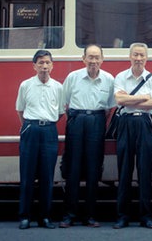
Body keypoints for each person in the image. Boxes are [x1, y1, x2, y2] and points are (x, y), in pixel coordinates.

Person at [59, 44, 115, 228]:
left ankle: (90, 215)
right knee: (73, 168)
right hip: (76, 120)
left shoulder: (108, 79)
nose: (93, 61)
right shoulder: (73, 77)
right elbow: (64, 103)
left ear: (102, 59)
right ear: (83, 59)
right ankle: (69, 215)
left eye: (96, 57)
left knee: (93, 169)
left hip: (97, 121)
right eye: (90, 57)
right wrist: (77, 119)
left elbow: (109, 109)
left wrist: (95, 121)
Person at [112, 42, 152, 229]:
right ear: (130, 56)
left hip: (144, 123)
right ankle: (122, 216)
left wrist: (130, 101)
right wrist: (144, 97)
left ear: (146, 58)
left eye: (142, 55)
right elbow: (119, 100)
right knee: (124, 171)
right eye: (135, 55)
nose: (139, 58)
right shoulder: (120, 77)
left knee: (145, 170)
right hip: (125, 124)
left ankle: (146, 216)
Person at [16, 49, 64, 230]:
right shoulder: (25, 85)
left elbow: (60, 112)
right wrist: (32, 124)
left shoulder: (58, 87)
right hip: (30, 129)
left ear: (52, 65)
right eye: (41, 63)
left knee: (47, 176)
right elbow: (20, 109)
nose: (44, 66)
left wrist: (46, 123)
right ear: (34, 66)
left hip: (49, 131)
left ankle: (44, 217)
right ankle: (25, 216)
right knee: (27, 175)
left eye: (47, 63)